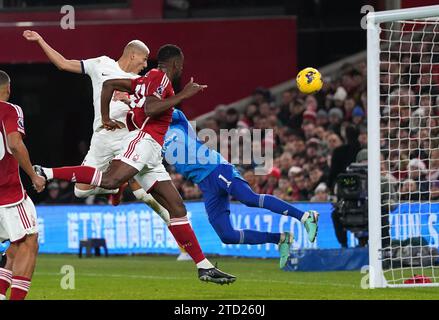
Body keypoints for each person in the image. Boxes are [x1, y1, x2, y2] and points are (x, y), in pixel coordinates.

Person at [34, 45, 236, 284]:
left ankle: (204, 267)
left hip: (152, 152)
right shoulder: (159, 78)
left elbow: (110, 86)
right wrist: (183, 95)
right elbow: (151, 107)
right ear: (175, 64)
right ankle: (47, 172)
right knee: (110, 180)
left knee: (177, 208)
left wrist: (117, 110)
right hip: (143, 141)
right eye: (181, 64)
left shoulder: (146, 79)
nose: (182, 68)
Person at [22, 30, 170, 223]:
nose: (145, 64)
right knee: (81, 191)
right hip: (101, 137)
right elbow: (63, 63)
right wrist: (40, 40)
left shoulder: (143, 82)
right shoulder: (101, 64)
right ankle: (116, 185)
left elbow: (150, 109)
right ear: (132, 54)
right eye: (143, 59)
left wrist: (129, 101)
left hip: (129, 137)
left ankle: (175, 225)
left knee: (146, 193)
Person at [157, 108, 319, 269]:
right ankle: (280, 239)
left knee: (249, 198)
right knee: (227, 235)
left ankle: (305, 216)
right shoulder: (154, 140)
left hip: (216, 168)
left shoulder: (178, 123)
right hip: (205, 185)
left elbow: (168, 108)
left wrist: (151, 103)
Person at [0, 70, 45, 300]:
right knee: (29, 240)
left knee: (16, 243)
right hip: (7, 194)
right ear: (7, 88)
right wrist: (33, 176)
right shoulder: (9, 109)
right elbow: (14, 144)